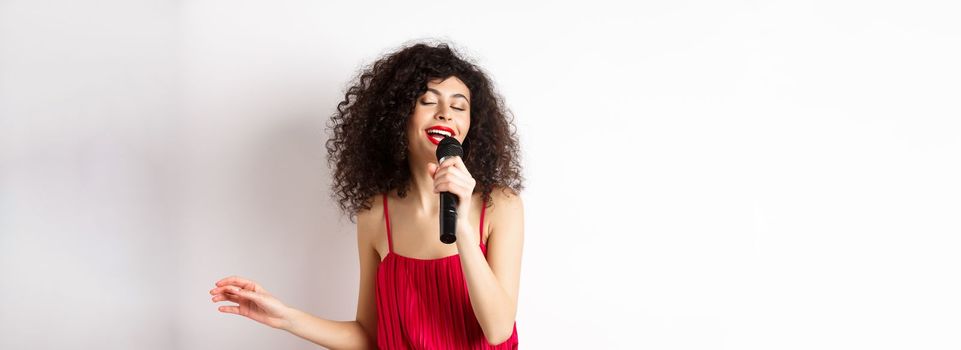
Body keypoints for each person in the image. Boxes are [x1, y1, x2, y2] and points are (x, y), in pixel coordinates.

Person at [208, 40, 525, 349]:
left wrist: (463, 231)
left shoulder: (500, 205)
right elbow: (369, 335)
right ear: (399, 114)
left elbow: (497, 331)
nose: (445, 114)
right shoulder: (376, 214)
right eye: (429, 102)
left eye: (459, 106)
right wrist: (285, 318)